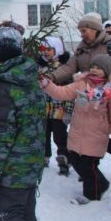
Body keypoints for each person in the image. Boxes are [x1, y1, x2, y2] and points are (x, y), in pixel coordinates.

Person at [0, 27, 60, 221]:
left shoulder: (4, 86)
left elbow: (1, 133)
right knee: (25, 212)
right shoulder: (29, 76)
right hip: (32, 160)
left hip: (14, 165)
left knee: (8, 216)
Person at [40, 55, 111, 205]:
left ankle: (92, 194)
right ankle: (103, 183)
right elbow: (61, 93)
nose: (94, 70)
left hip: (96, 133)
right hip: (77, 131)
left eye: (99, 68)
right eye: (93, 67)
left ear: (106, 72)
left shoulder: (109, 89)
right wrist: (46, 84)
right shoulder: (81, 84)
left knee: (89, 166)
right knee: (75, 160)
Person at [49, 13, 111, 84]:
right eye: (80, 32)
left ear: (95, 29)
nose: (81, 35)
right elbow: (69, 68)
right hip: (86, 92)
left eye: (84, 31)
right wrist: (51, 77)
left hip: (107, 94)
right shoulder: (81, 48)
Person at [36, 36, 73, 176]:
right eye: (43, 49)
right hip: (43, 110)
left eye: (49, 49)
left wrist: (68, 110)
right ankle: (43, 158)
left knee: (60, 137)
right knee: (43, 135)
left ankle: (64, 160)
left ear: (57, 49)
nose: (45, 52)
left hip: (59, 110)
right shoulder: (40, 68)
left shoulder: (64, 68)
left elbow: (70, 90)